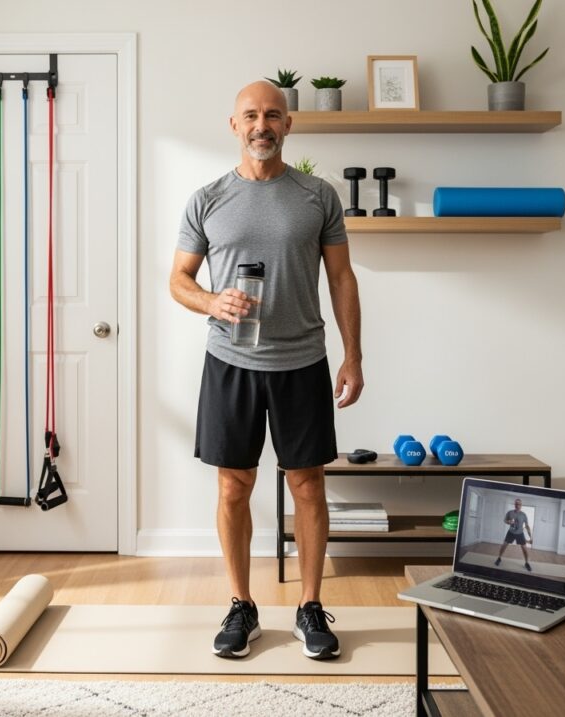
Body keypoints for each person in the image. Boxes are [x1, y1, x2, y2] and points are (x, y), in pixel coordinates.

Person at [169, 80, 363, 660]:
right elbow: (178, 281)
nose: (262, 125)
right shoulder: (207, 199)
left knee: (308, 484)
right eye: (251, 115)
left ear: (288, 125)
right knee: (234, 484)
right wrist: (211, 301)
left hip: (303, 360)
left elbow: (342, 278)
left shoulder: (317, 196)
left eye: (272, 115)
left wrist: (353, 354)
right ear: (234, 125)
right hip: (231, 361)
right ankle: (241, 606)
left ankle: (309, 606)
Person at [495, 498, 534, 571]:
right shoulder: (510, 513)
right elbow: (505, 520)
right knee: (504, 545)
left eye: (519, 504)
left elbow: (527, 526)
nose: (517, 505)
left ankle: (526, 563)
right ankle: (499, 558)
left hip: (520, 533)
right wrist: (508, 522)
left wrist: (530, 536)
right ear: (514, 504)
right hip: (511, 532)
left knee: (525, 549)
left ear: (521, 505)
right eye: (516, 504)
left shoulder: (523, 515)